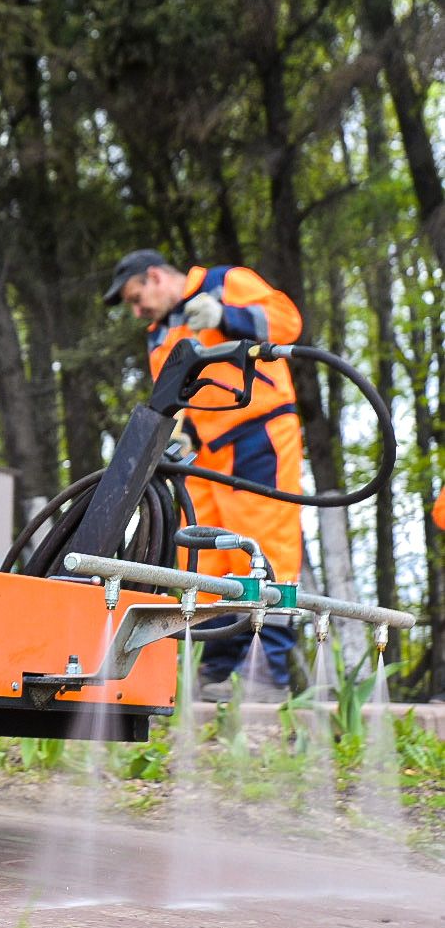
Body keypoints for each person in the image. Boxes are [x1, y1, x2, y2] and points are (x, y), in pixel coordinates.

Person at [104, 249, 305, 702]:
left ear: (155, 277)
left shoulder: (223, 282)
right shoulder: (159, 335)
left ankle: (265, 670)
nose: (137, 311)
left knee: (266, 546)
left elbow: (287, 322)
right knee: (206, 558)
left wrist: (226, 315)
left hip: (259, 433)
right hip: (205, 452)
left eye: (137, 298)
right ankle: (215, 669)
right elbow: (179, 396)